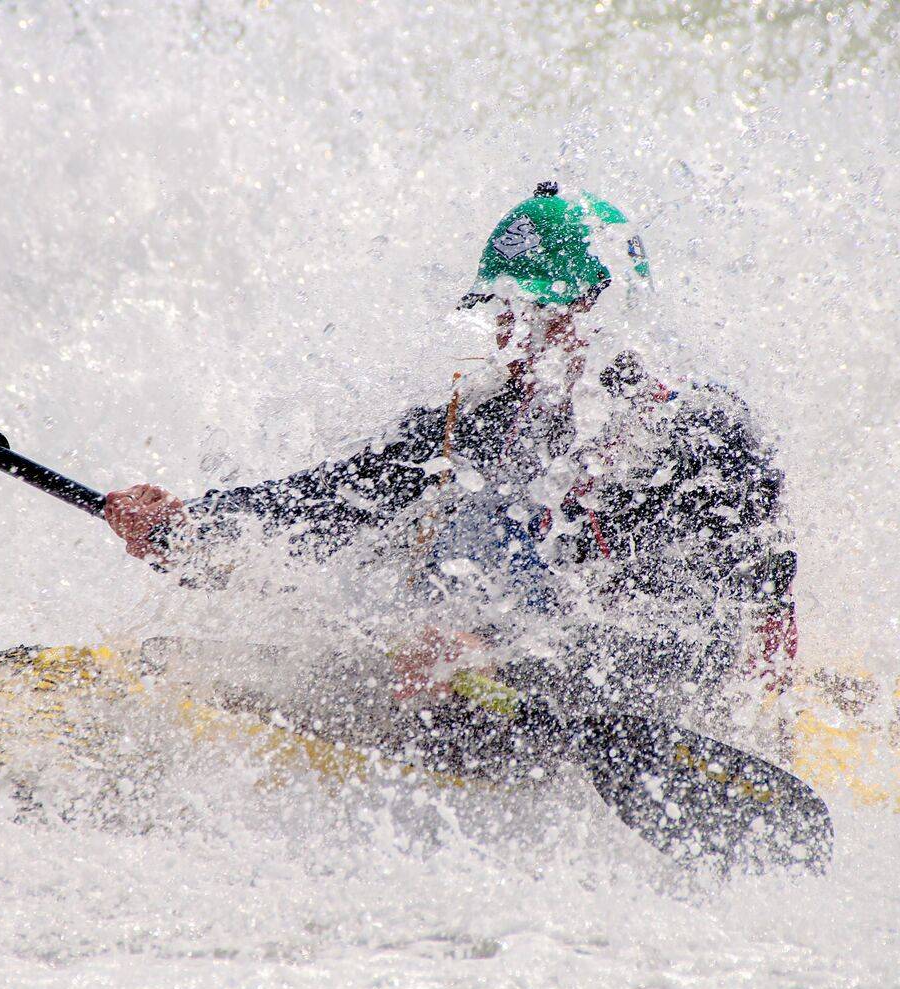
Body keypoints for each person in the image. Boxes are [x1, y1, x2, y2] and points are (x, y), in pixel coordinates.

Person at [102, 182, 798, 763]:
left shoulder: (702, 439)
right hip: (502, 697)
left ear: (603, 308)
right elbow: (333, 500)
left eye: (539, 313)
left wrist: (491, 652)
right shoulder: (483, 420)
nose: (513, 339)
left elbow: (711, 641)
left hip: (652, 717)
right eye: (504, 314)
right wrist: (190, 527)